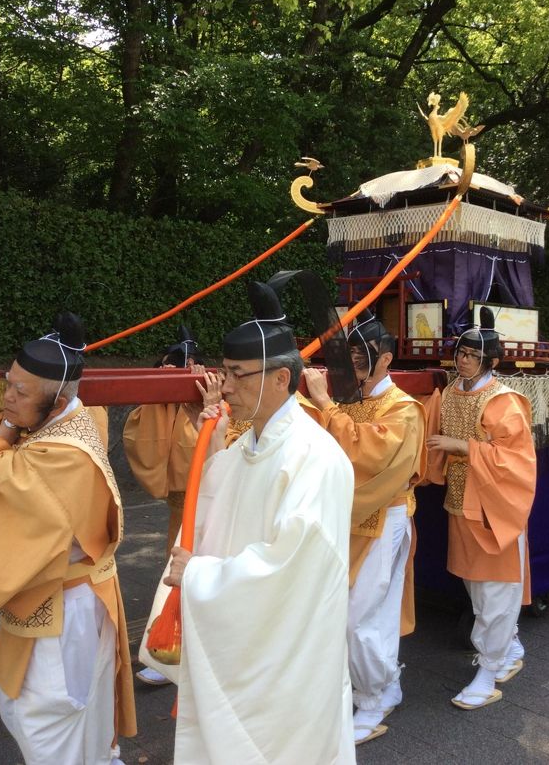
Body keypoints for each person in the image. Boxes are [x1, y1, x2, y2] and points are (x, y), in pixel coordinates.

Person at [145, 282, 356, 765]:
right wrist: (215, 444)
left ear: (282, 378)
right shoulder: (247, 447)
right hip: (245, 640)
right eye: (225, 373)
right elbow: (219, 511)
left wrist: (198, 575)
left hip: (286, 657)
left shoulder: (314, 456)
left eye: (238, 375)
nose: (226, 387)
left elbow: (293, 565)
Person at [0, 312, 136, 765]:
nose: (7, 397)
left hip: (63, 607)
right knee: (51, 717)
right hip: (58, 597)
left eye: (20, 391)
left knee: (48, 722)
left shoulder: (64, 453)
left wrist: (4, 431)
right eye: (7, 383)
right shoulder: (66, 417)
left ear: (56, 403)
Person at [303, 310, 426, 745]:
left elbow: (369, 452)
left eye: (363, 354)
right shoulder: (351, 397)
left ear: (386, 359)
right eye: (350, 353)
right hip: (349, 515)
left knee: (360, 617)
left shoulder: (403, 409)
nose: (354, 360)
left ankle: (376, 696)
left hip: (382, 517)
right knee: (363, 612)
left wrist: (325, 405)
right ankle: (379, 684)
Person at [426, 307, 536, 710]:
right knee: (478, 590)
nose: (463, 359)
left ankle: (488, 673)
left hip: (494, 508)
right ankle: (507, 648)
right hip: (460, 503)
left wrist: (463, 448)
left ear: (491, 361)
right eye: (461, 352)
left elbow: (518, 461)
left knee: (494, 591)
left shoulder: (504, 401)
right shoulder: (452, 392)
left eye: (472, 354)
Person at [123, 325, 214, 687]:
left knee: (202, 574)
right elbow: (147, 444)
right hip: (184, 505)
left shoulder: (217, 399)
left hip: (214, 500)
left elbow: (216, 446)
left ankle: (185, 650)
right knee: (177, 572)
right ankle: (170, 647)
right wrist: (160, 394)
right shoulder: (169, 403)